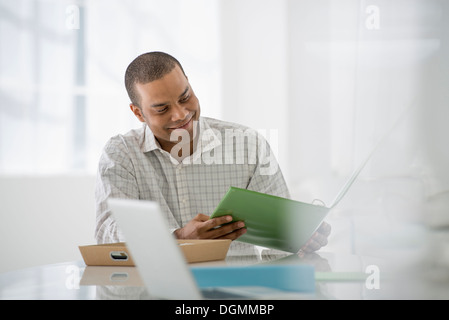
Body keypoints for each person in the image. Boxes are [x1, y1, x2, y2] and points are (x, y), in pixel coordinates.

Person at [95, 51, 331, 256]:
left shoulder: (248, 144)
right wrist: (176, 239)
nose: (180, 114)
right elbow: (108, 234)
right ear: (138, 113)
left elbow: (279, 244)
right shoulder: (121, 155)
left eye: (185, 97)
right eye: (162, 109)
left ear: (189, 83)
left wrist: (299, 241)